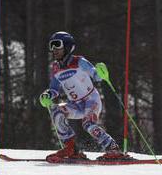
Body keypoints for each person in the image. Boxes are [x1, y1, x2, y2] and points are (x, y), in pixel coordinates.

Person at [39, 31, 129, 162]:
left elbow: (96, 76)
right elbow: (54, 89)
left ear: (68, 46)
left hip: (91, 100)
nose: (54, 49)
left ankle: (113, 149)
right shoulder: (55, 68)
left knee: (88, 124)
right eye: (51, 46)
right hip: (75, 105)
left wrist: (102, 72)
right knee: (56, 110)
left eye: (57, 45)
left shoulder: (79, 61)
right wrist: (47, 95)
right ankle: (71, 149)